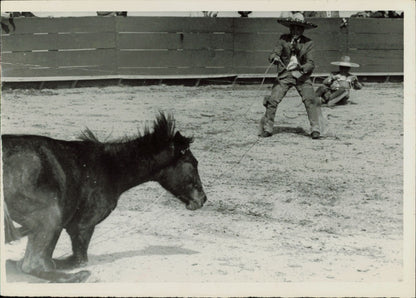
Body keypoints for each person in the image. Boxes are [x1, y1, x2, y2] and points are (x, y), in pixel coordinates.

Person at [259, 12, 322, 139]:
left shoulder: (309, 43)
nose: (295, 30)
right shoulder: (283, 39)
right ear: (290, 28)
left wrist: (301, 68)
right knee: (273, 100)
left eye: (298, 28)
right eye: (293, 27)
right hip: (285, 75)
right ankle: (268, 127)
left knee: (310, 100)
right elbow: (273, 54)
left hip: (302, 76)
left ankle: (315, 128)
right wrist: (275, 57)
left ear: (303, 29)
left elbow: (310, 63)